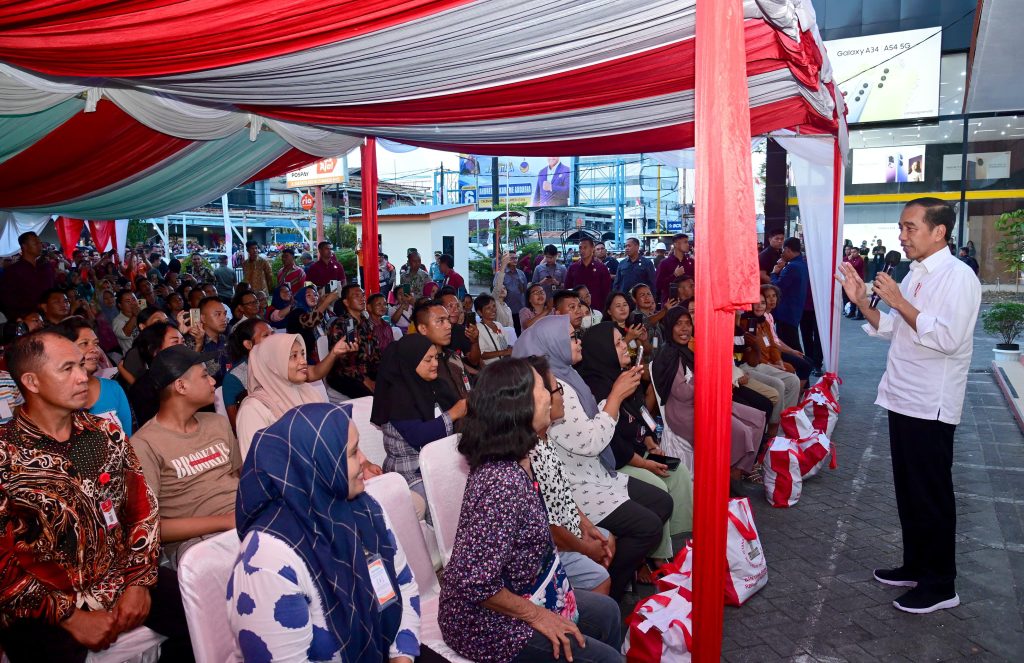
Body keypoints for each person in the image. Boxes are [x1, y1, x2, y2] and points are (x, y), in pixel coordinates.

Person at [0, 331, 193, 661]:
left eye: (81, 365)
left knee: (198, 613)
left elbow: (142, 509)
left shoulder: (104, 432)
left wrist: (139, 582)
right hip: (41, 600)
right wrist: (69, 616)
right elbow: (5, 564)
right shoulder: (7, 455)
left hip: (120, 575)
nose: (82, 376)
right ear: (31, 381)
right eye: (67, 369)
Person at [837, 198, 980, 614]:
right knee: (910, 492)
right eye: (901, 227)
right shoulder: (916, 273)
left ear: (939, 231)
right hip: (902, 396)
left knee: (931, 495)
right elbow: (894, 330)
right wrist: (862, 300)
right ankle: (917, 565)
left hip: (930, 403)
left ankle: (940, 584)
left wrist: (899, 300)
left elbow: (949, 339)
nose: (901, 236)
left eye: (910, 227)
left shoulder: (958, 277)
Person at [439, 359, 622, 663]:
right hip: (484, 622)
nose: (551, 395)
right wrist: (537, 615)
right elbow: (476, 582)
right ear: (518, 407)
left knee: (607, 612)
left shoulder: (521, 459)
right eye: (541, 388)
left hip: (525, 587)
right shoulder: (502, 482)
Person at [230, 403, 421, 662]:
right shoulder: (267, 559)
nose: (365, 460)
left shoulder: (365, 509)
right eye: (354, 452)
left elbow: (405, 584)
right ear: (318, 462)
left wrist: (402, 657)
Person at [512, 315, 672, 601]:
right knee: (647, 526)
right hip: (582, 482)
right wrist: (615, 397)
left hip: (593, 474)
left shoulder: (570, 376)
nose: (578, 341)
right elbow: (590, 441)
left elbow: (595, 421)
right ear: (554, 344)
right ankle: (612, 586)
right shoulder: (551, 386)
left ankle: (614, 572)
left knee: (661, 502)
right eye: (572, 337)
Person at [577, 321, 693, 562]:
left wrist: (650, 442)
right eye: (618, 343)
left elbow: (641, 414)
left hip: (640, 450)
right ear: (603, 350)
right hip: (618, 460)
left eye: (623, 341)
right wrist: (645, 463)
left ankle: (678, 541)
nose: (625, 347)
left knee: (679, 473)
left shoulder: (622, 375)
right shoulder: (596, 386)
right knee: (658, 486)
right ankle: (653, 557)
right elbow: (614, 443)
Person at [131, 345, 239, 566]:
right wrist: (226, 522)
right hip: (198, 543)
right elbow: (149, 527)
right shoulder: (145, 444)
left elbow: (241, 476)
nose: (213, 382)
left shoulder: (217, 423)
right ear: (180, 386)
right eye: (204, 375)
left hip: (243, 518)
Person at [524, 356, 613, 595]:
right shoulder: (528, 457)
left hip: (567, 529)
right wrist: (585, 548)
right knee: (600, 578)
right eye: (556, 390)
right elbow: (549, 528)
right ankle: (580, 619)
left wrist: (585, 524)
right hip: (551, 546)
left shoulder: (545, 439)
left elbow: (562, 493)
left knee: (606, 538)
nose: (562, 396)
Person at [654, 308, 765, 495]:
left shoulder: (687, 351)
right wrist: (705, 374)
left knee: (758, 419)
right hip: (684, 412)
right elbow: (682, 392)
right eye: (678, 324)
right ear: (669, 327)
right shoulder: (670, 355)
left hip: (706, 402)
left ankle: (733, 472)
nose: (684, 329)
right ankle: (728, 478)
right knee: (742, 432)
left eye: (687, 323)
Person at [371, 334, 465, 502]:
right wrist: (453, 414)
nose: (435, 364)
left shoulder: (436, 385)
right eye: (428, 360)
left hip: (441, 462)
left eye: (436, 357)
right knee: (442, 501)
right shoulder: (396, 395)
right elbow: (418, 436)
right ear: (410, 362)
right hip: (410, 470)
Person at [236, 332, 354, 457]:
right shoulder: (253, 409)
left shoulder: (307, 391)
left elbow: (334, 436)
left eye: (302, 354)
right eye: (293, 356)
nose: (303, 361)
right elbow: (258, 465)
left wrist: (362, 462)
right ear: (273, 364)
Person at [52, 317, 133, 435]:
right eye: (84, 343)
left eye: (95, 344)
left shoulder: (113, 389)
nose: (94, 349)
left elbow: (128, 438)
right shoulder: (54, 397)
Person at [740, 294, 802, 410]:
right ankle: (775, 423)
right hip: (752, 364)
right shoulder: (744, 322)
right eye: (756, 303)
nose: (759, 306)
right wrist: (771, 365)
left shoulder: (764, 322)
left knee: (793, 380)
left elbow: (773, 346)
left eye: (763, 303)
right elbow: (749, 356)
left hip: (766, 363)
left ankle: (787, 417)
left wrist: (778, 361)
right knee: (780, 383)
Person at [413, 301, 475, 400]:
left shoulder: (453, 356)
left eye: (447, 320)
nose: (449, 326)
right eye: (440, 321)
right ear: (423, 329)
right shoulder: (419, 365)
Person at [328, 284, 381, 397]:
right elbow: (343, 360)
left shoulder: (366, 322)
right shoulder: (342, 324)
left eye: (362, 295)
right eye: (356, 296)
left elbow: (375, 351)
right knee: (371, 398)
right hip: (345, 375)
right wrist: (364, 379)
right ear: (346, 302)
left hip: (366, 370)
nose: (362, 298)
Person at [222, 318, 274, 427]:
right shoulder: (233, 378)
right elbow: (238, 425)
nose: (273, 338)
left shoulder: (280, 364)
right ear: (248, 344)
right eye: (266, 335)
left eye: (272, 333)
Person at [0, 231, 56, 320]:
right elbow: (7, 300)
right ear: (24, 246)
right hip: (27, 319)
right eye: (35, 243)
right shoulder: (13, 271)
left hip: (49, 317)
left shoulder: (46, 268)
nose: (40, 246)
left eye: (40, 243)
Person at [769, 237, 809, 350]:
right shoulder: (803, 264)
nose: (782, 254)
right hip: (795, 310)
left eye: (783, 250)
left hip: (785, 312)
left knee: (790, 347)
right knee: (792, 343)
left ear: (787, 249)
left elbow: (778, 287)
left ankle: (805, 366)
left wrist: (774, 273)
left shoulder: (791, 267)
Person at [184, 296, 230, 385]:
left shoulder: (227, 340)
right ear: (203, 318)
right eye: (217, 314)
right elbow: (187, 374)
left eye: (225, 314)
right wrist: (199, 345)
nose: (224, 318)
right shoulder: (190, 342)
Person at [565, 238, 611, 316]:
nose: (582, 250)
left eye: (585, 247)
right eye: (580, 248)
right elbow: (568, 289)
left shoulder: (601, 268)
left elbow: (607, 292)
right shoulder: (573, 268)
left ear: (592, 248)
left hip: (597, 310)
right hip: (577, 311)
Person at [654, 233, 694, 303]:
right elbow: (658, 285)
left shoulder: (691, 262)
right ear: (676, 244)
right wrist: (674, 275)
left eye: (687, 242)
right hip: (671, 303)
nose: (688, 245)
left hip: (690, 303)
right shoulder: (665, 263)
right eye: (685, 242)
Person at [475, 293, 513, 364]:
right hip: (491, 369)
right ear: (480, 312)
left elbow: (506, 344)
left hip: (504, 364)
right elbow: (481, 354)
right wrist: (503, 352)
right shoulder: (478, 328)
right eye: (488, 308)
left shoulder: (498, 325)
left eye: (494, 306)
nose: (493, 310)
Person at [112, 289, 141, 354]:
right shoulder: (117, 321)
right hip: (134, 357)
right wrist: (134, 316)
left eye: (134, 299)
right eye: (128, 301)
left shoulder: (142, 314)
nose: (132, 303)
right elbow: (125, 334)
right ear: (120, 305)